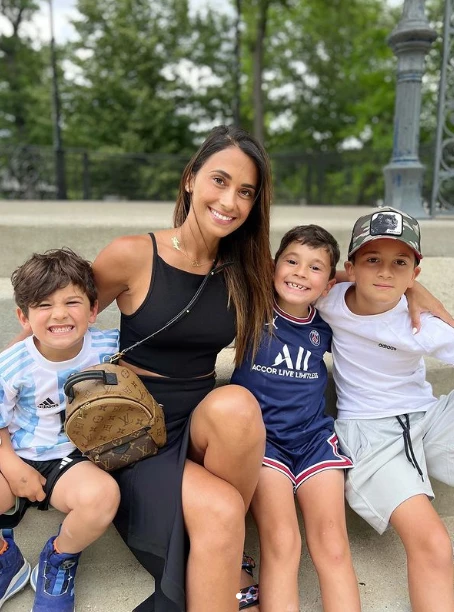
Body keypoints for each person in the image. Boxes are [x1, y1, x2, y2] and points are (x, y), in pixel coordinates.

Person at [91, 125, 274, 612]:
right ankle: (228, 563)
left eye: (246, 192)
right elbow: (56, 317)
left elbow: (326, 278)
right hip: (136, 434)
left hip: (199, 428)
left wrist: (414, 290)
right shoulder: (133, 254)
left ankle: (220, 556)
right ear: (191, 179)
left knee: (237, 404)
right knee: (222, 508)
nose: (230, 201)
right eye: (220, 180)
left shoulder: (247, 268)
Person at [316, 207, 454, 612]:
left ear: (415, 272)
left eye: (400, 264)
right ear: (351, 267)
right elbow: (291, 272)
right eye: (373, 259)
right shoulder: (329, 298)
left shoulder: (421, 323)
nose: (385, 273)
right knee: (433, 542)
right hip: (370, 435)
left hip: (428, 418)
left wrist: (416, 294)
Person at [231, 225, 361, 612]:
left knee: (333, 545)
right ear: (273, 266)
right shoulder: (254, 305)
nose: (301, 273)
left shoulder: (326, 323)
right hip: (264, 444)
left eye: (315, 267)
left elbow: (369, 288)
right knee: (283, 541)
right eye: (291, 261)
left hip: (313, 441)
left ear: (329, 284)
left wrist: (415, 291)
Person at [0, 248, 120, 612]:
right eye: (43, 305)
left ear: (93, 309)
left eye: (72, 302)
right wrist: (12, 466)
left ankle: (58, 559)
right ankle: (6, 560)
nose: (59, 314)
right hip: (13, 455)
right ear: (23, 317)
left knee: (102, 497)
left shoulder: (109, 348)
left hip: (69, 462)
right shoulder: (12, 364)